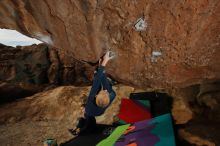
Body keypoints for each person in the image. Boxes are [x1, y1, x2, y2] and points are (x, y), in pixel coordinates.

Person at [69, 51, 116, 136]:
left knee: (104, 86)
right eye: (106, 93)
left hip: (98, 112)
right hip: (95, 112)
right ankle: (101, 73)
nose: (105, 91)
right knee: (111, 91)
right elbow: (98, 82)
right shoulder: (92, 102)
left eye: (103, 92)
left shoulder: (91, 100)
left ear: (96, 96)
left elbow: (97, 83)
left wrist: (101, 65)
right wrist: (102, 65)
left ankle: (101, 73)